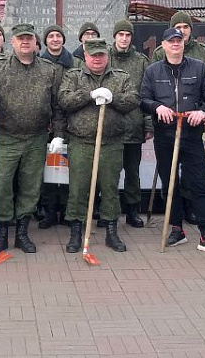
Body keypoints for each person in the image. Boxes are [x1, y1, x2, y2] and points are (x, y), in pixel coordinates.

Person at [0, 24, 65, 254]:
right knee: (1, 185)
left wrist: (58, 135)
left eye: (29, 38)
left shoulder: (50, 70)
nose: (25, 42)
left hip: (36, 137)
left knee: (30, 186)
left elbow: (58, 106)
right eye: (20, 38)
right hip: (6, 137)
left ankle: (22, 234)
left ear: (36, 42)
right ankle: (1, 233)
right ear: (12, 42)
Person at [141, 27, 205, 254]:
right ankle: (176, 229)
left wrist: (204, 111)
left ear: (183, 43)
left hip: (191, 134)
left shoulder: (198, 68)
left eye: (179, 40)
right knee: (170, 184)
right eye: (171, 41)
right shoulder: (152, 71)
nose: (175, 44)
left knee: (197, 183)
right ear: (164, 45)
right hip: (165, 135)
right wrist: (157, 107)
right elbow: (144, 98)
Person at [58, 39, 139, 252]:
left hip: (111, 143)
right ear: (85, 56)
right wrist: (89, 95)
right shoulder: (73, 76)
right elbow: (64, 100)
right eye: (93, 55)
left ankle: (111, 231)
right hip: (81, 142)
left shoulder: (121, 77)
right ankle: (76, 232)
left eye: (101, 55)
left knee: (110, 188)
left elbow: (133, 100)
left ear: (107, 55)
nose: (97, 59)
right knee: (78, 189)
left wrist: (113, 98)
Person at [108, 19, 151, 228]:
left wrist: (148, 123)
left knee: (132, 172)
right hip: (109, 127)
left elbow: (147, 94)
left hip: (133, 125)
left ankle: (133, 210)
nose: (124, 39)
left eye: (127, 35)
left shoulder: (141, 61)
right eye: (121, 35)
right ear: (114, 36)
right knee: (109, 172)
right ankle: (108, 211)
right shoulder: (105, 58)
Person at [37, 24, 72, 228]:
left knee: (67, 169)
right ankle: (49, 211)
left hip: (69, 124)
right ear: (46, 41)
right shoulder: (39, 63)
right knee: (48, 170)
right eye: (51, 36)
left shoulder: (74, 63)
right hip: (46, 124)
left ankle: (66, 210)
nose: (55, 39)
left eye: (58, 36)